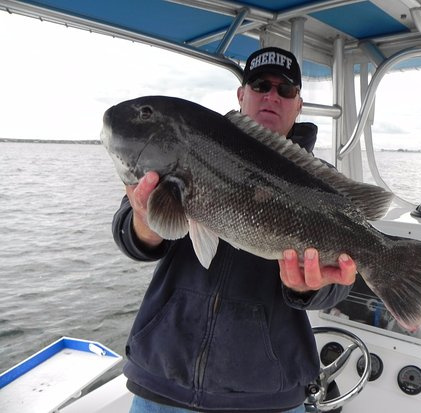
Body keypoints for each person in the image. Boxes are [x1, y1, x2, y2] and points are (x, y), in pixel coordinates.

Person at [112, 46, 357, 413]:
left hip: (266, 394)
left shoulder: (324, 186)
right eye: (260, 85)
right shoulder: (184, 150)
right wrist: (146, 225)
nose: (272, 95)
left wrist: (308, 289)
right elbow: (130, 237)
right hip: (162, 381)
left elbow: (339, 283)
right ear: (242, 95)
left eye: (285, 89)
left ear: (298, 104)